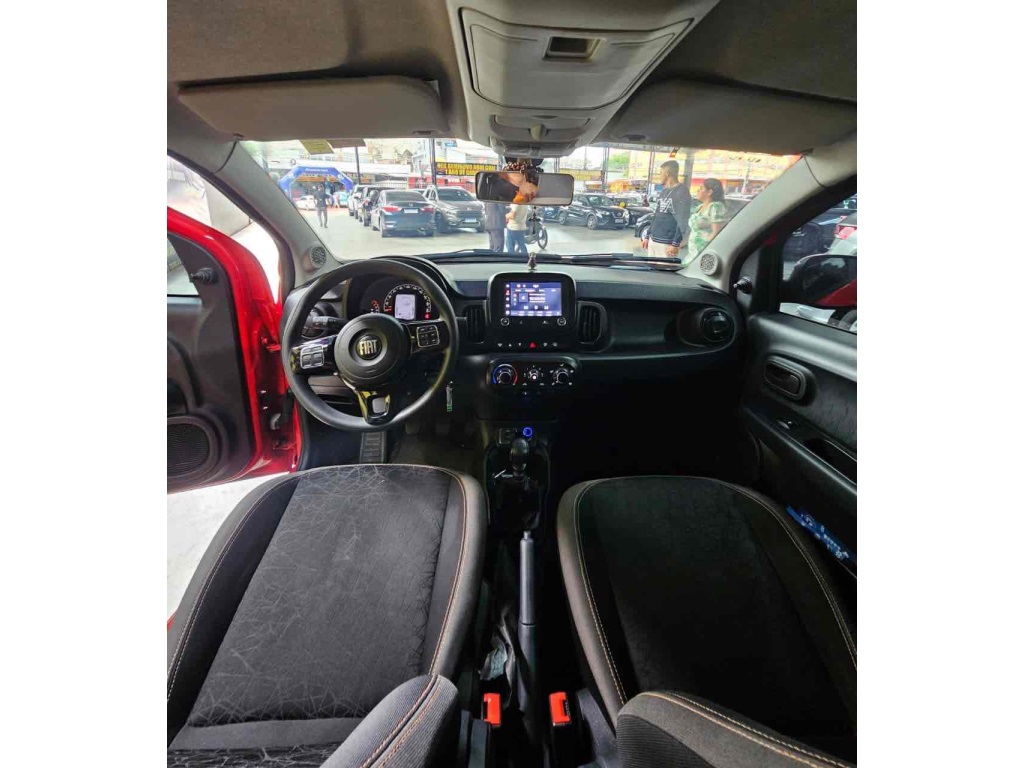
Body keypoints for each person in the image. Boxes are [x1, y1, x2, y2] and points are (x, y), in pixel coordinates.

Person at [646, 160, 691, 258]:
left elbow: (683, 219)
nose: (659, 176)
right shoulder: (664, 191)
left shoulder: (682, 191)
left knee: (664, 268)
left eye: (660, 173)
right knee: (651, 267)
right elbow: (656, 214)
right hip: (653, 240)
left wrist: (676, 243)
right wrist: (647, 235)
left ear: (667, 173)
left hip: (667, 243)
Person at [683, 178, 729, 266]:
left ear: (709, 192)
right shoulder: (699, 207)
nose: (698, 191)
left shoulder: (716, 207)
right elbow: (695, 231)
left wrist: (704, 252)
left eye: (701, 188)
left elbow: (716, 233)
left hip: (703, 255)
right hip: (692, 254)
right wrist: (681, 244)